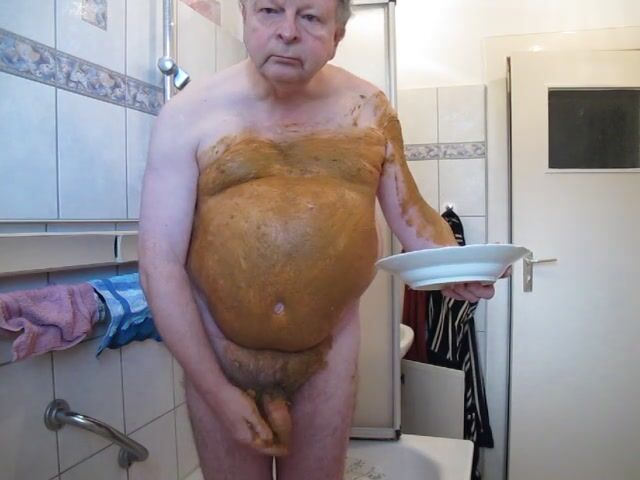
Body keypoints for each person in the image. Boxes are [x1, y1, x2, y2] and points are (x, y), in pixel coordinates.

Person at [138, 1, 495, 478]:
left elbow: (413, 217)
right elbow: (158, 264)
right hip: (220, 354)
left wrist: (459, 267)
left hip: (327, 355)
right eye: (270, 10)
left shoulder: (368, 109)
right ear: (245, 15)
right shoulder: (188, 114)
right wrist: (217, 392)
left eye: (309, 17)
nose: (287, 31)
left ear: (337, 35)